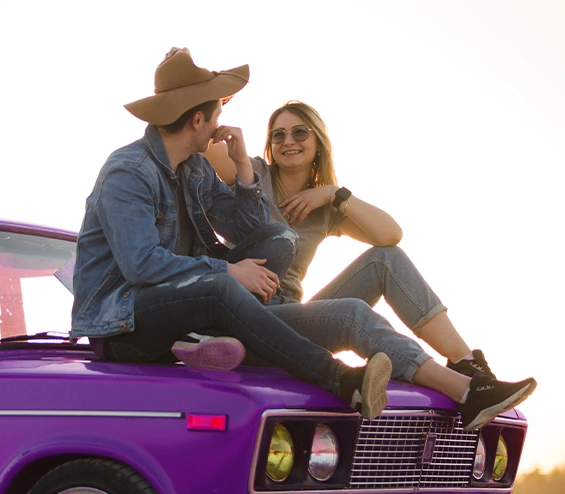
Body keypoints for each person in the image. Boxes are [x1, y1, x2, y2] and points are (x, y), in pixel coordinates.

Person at [72, 48, 395, 418]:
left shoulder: (195, 167)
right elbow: (140, 264)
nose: (219, 125)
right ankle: (342, 380)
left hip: (189, 302)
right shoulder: (128, 171)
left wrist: (243, 165)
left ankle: (216, 338)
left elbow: (250, 231)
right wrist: (227, 271)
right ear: (198, 120)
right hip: (123, 325)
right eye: (217, 116)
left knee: (281, 239)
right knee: (221, 287)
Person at [203, 100, 536, 430]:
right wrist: (207, 92)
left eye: (300, 132)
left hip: (294, 315)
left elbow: (391, 235)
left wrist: (334, 194)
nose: (288, 141)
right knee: (352, 313)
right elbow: (200, 136)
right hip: (250, 311)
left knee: (386, 259)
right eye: (278, 135)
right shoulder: (252, 172)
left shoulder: (325, 208)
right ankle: (464, 392)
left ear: (318, 141)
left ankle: (469, 367)